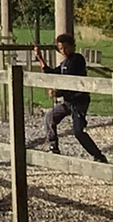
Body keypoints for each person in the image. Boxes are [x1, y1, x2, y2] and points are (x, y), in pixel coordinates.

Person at [37, 33, 106, 162]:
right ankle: (53, 146)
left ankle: (98, 156)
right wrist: (40, 58)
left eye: (66, 48)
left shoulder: (77, 60)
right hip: (68, 101)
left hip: (79, 101)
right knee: (50, 117)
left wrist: (57, 93)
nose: (63, 51)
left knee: (78, 131)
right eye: (61, 49)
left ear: (73, 47)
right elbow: (53, 73)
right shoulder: (65, 63)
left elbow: (69, 81)